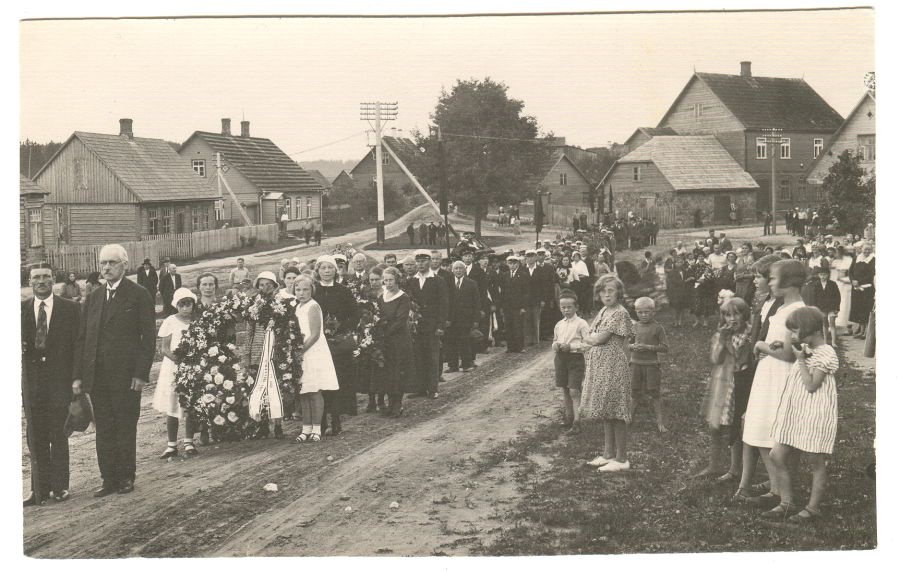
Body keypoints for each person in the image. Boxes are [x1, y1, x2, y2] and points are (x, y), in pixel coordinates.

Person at [73, 244, 156, 497]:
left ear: (124, 265)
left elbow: (148, 339)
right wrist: (78, 375)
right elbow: (83, 338)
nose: (106, 268)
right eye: (103, 263)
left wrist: (141, 374)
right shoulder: (95, 297)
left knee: (125, 425)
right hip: (98, 377)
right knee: (105, 428)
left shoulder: (138, 294)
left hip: (126, 377)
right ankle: (108, 479)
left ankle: (125, 477)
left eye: (112, 263)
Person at [732, 259, 806, 508]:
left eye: (773, 279)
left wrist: (761, 345)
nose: (770, 283)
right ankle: (775, 487)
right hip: (769, 373)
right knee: (758, 427)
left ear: (788, 281)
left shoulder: (795, 310)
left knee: (769, 429)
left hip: (779, 376)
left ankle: (779, 491)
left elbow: (787, 352)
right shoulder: (784, 308)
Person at [767, 307, 839, 522]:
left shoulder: (826, 353)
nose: (794, 336)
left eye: (796, 332)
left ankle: (813, 507)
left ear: (811, 330)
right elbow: (803, 352)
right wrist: (785, 346)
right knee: (776, 455)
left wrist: (799, 360)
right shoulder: (808, 347)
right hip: (797, 411)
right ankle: (787, 502)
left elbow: (811, 385)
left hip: (815, 412)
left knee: (816, 462)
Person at [22, 263, 81, 506]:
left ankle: (59, 487)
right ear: (30, 281)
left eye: (46, 276)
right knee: (35, 436)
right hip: (32, 385)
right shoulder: (19, 310)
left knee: (58, 434)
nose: (41, 281)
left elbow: (79, 345)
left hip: (59, 382)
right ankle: (39, 489)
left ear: (54, 280)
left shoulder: (70, 309)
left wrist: (77, 378)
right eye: (36, 277)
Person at [695, 297, 753, 479]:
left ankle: (735, 468)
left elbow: (740, 361)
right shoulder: (722, 333)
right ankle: (714, 465)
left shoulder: (749, 335)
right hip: (721, 382)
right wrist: (722, 340)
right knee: (715, 425)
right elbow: (715, 359)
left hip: (739, 383)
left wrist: (728, 341)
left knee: (735, 426)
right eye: (727, 315)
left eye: (736, 314)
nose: (732, 319)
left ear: (745, 315)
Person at [582, 274, 635, 473]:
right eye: (603, 291)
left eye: (611, 290)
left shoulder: (619, 313)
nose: (606, 294)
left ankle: (622, 458)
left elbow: (599, 338)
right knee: (606, 409)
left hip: (613, 364)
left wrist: (591, 338)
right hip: (601, 365)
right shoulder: (604, 311)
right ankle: (608, 454)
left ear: (619, 292)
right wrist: (591, 338)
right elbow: (590, 336)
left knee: (616, 409)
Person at [314, 256, 359, 434]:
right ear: (318, 271)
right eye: (323, 268)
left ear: (336, 270)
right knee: (320, 382)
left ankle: (337, 420)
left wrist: (340, 329)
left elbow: (354, 316)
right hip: (318, 343)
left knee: (338, 381)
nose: (327, 271)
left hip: (338, 344)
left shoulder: (344, 291)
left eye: (330, 268)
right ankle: (322, 420)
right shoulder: (313, 291)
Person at [153, 288, 200, 458]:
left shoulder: (197, 322)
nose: (186, 308)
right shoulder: (170, 321)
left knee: (190, 405)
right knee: (172, 405)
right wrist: (179, 361)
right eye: (182, 304)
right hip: (173, 367)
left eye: (189, 304)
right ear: (176, 306)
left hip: (192, 367)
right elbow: (164, 349)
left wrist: (192, 362)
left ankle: (189, 442)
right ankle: (171, 445)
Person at [293, 276, 339, 443]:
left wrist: (300, 350)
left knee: (314, 390)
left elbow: (315, 334)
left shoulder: (313, 306)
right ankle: (306, 428)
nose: (302, 293)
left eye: (306, 289)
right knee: (304, 391)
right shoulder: (297, 307)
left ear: (312, 290)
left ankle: (317, 429)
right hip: (301, 352)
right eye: (298, 290)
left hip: (313, 352)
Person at [244, 272, 287, 440]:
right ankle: (262, 424)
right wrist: (247, 354)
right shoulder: (254, 304)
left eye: (268, 285)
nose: (264, 288)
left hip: (274, 350)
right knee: (257, 386)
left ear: (275, 286)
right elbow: (249, 332)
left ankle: (277, 424)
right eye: (261, 285)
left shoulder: (280, 303)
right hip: (257, 350)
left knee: (274, 386)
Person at [407, 249, 448, 399]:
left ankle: (432, 388)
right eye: (418, 261)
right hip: (417, 326)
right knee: (418, 357)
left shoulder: (438, 281)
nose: (421, 264)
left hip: (432, 326)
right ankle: (420, 388)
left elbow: (444, 305)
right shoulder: (411, 281)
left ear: (430, 262)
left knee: (432, 357)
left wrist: (440, 326)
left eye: (424, 261)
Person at [376, 267, 416, 416]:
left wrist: (385, 333)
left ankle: (397, 403)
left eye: (391, 280)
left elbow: (400, 320)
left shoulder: (403, 297)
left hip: (399, 340)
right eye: (385, 280)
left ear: (397, 280)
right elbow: (378, 315)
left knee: (398, 371)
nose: (388, 283)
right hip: (386, 340)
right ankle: (390, 402)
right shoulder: (382, 296)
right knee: (388, 371)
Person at [552, 290, 589, 433]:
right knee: (565, 388)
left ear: (576, 307)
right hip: (561, 359)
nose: (566, 310)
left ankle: (577, 421)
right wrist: (555, 345)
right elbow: (555, 340)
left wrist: (572, 346)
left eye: (569, 307)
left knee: (574, 390)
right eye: (563, 307)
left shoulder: (582, 324)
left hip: (575, 359)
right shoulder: (559, 324)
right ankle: (569, 417)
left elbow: (588, 343)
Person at [629, 297, 669, 432]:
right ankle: (629, 418)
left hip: (651, 364)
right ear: (636, 312)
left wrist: (648, 347)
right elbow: (626, 345)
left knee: (654, 393)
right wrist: (633, 346)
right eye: (640, 312)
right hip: (635, 363)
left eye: (647, 312)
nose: (643, 315)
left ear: (653, 312)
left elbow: (665, 347)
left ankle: (660, 422)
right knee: (634, 392)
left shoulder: (658, 328)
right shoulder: (634, 327)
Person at [445, 261, 481, 373]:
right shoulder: (448, 284)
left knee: (465, 341)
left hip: (466, 318)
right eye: (456, 268)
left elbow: (476, 302)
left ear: (464, 270)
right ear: (452, 270)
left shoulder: (471, 283)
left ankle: (466, 364)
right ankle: (453, 365)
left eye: (461, 268)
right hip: (452, 319)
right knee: (451, 342)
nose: (458, 271)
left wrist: (476, 319)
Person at [801, 265, 841, 346]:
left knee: (832, 323)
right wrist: (816, 308)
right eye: (821, 275)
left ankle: (833, 342)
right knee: (825, 323)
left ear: (828, 275)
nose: (823, 276)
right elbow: (814, 297)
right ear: (819, 275)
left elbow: (837, 296)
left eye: (825, 274)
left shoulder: (833, 284)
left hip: (832, 306)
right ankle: (825, 341)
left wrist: (837, 307)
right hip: (821, 307)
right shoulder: (816, 285)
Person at [502, 255, 530, 353]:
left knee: (518, 326)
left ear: (518, 264)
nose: (512, 265)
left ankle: (520, 347)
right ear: (507, 264)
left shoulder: (523, 275)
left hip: (518, 306)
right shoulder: (505, 275)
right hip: (507, 306)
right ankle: (510, 347)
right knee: (508, 326)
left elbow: (526, 293)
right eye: (510, 263)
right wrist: (503, 306)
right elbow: (503, 292)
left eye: (514, 263)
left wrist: (523, 307)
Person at [849, 242, 875, 338]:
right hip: (856, 288)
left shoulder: (873, 260)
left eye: (869, 249)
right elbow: (850, 271)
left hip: (867, 289)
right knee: (858, 309)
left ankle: (866, 332)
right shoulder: (857, 258)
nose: (867, 251)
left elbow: (872, 275)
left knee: (866, 310)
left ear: (872, 250)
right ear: (861, 249)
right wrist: (853, 280)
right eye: (865, 249)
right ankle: (861, 330)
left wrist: (858, 281)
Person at [832, 245, 853, 335]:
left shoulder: (849, 260)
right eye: (837, 252)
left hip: (846, 285)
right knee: (838, 305)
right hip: (837, 285)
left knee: (846, 305)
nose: (838, 254)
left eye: (839, 252)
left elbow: (850, 274)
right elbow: (833, 275)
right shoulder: (835, 261)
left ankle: (848, 327)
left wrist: (843, 279)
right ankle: (836, 326)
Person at [666, 258, 690, 327]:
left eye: (681, 262)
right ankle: (675, 321)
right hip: (675, 292)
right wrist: (685, 281)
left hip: (683, 292)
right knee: (675, 307)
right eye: (678, 262)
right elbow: (674, 282)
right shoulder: (672, 272)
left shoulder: (684, 271)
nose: (680, 264)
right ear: (675, 263)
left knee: (682, 307)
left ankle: (680, 320)